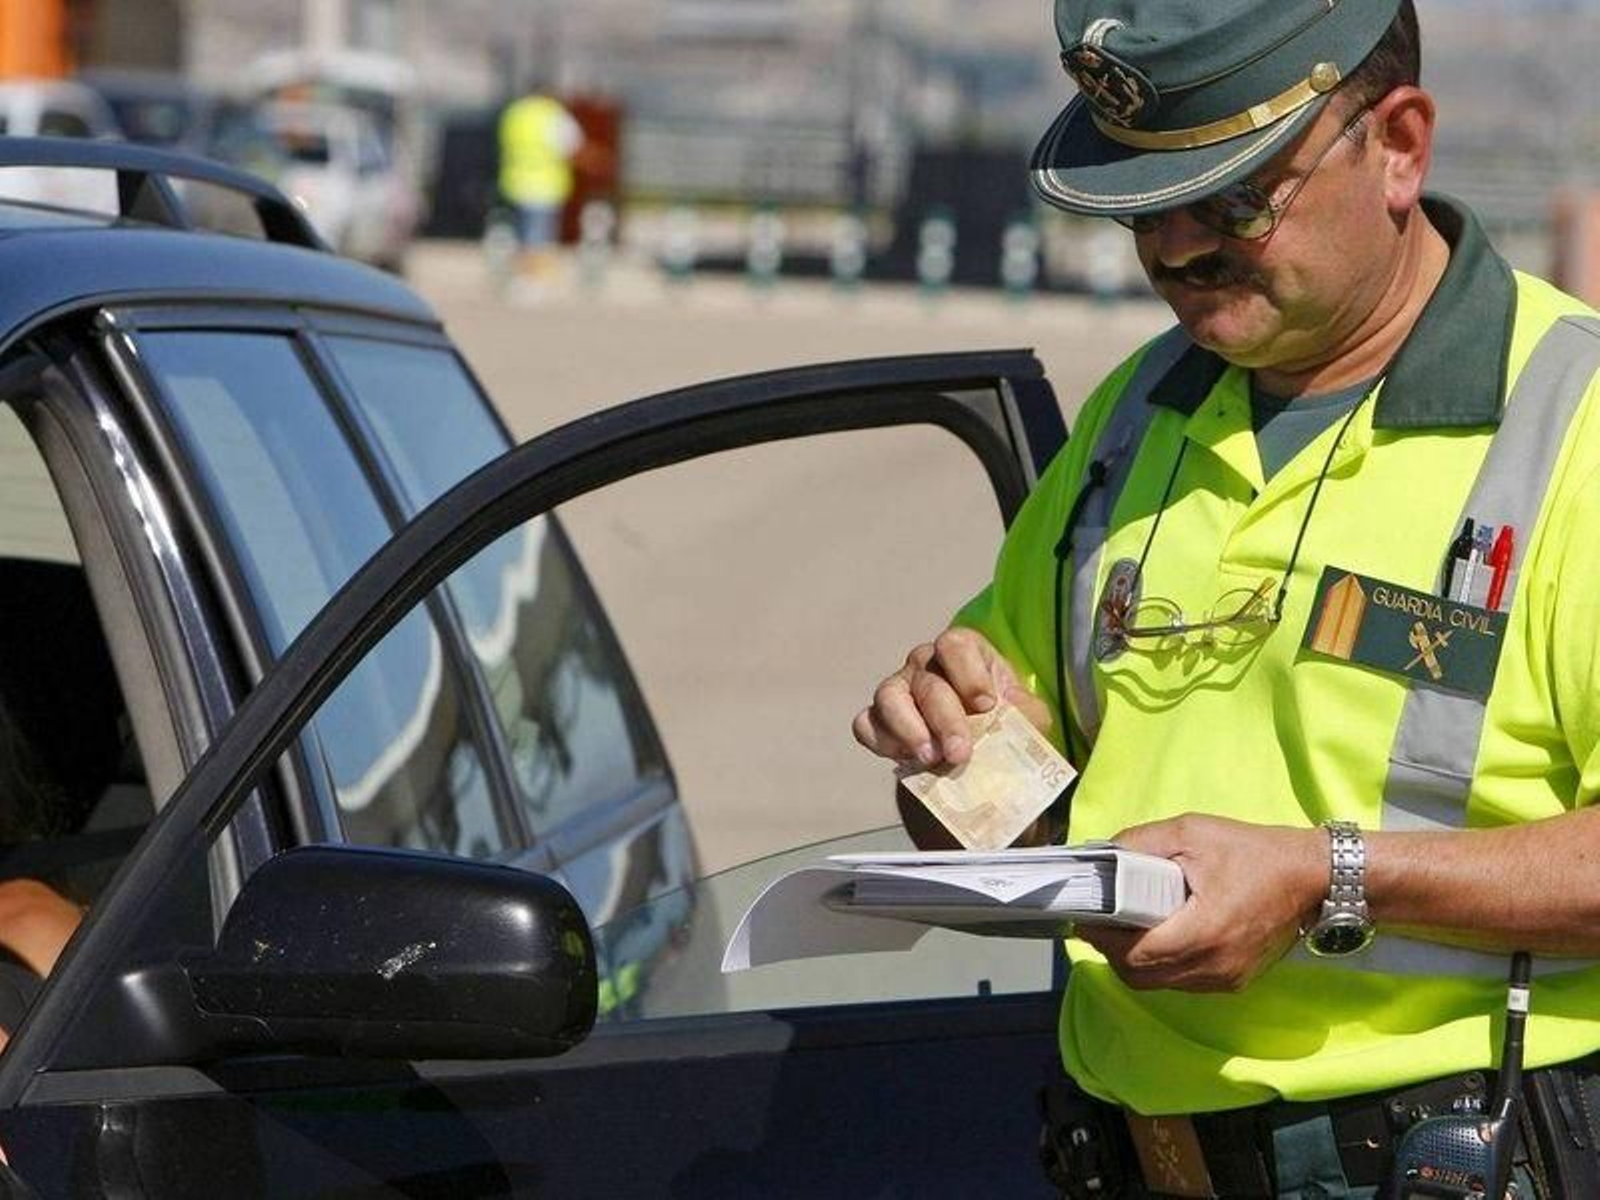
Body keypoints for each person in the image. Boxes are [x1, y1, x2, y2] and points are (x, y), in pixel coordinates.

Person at [854, 1, 1600, 1194]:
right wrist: (949, 751)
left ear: (1399, 143)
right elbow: (1010, 802)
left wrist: (1326, 877)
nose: (1176, 250)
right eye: (1144, 207)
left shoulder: (1575, 427)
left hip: (1451, 1159)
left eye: (1236, 197)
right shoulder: (1135, 415)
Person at [497, 80, 584, 282]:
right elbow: (572, 146)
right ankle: (531, 278)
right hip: (544, 185)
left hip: (515, 183)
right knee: (538, 236)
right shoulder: (552, 115)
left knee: (521, 233)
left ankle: (517, 274)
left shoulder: (515, 113)